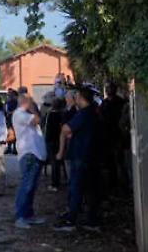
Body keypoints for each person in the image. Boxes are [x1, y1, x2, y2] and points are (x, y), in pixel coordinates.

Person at [55, 87, 101, 232]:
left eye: (76, 96)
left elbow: (65, 129)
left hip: (80, 156)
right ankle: (92, 221)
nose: (75, 99)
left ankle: (71, 221)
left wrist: (61, 151)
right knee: (91, 190)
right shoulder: (94, 112)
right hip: (91, 156)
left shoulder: (83, 114)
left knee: (76, 188)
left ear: (81, 98)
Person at [11, 93, 47, 228]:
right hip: (29, 154)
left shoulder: (24, 114)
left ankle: (28, 215)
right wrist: (32, 108)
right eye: (31, 101)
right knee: (26, 186)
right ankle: (20, 217)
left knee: (31, 187)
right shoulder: (20, 114)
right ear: (26, 102)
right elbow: (37, 120)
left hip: (35, 154)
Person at [99, 82, 127, 189]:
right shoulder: (104, 103)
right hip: (107, 137)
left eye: (109, 88)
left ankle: (123, 186)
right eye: (107, 88)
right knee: (111, 164)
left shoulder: (120, 102)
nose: (107, 90)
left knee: (120, 163)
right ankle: (113, 186)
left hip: (118, 136)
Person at [43, 94, 66, 191]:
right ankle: (58, 181)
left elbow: (44, 126)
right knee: (58, 163)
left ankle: (55, 184)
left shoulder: (50, 114)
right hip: (59, 140)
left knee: (54, 163)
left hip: (51, 141)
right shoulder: (62, 115)